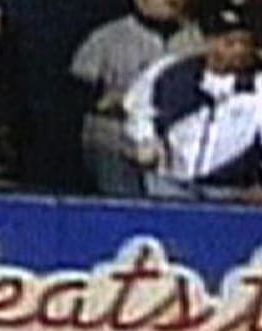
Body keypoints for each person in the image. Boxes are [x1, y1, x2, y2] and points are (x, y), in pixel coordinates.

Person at [123, 2, 262, 201]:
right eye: (230, 43)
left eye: (245, 43)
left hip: (229, 192)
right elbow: (137, 109)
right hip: (168, 186)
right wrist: (146, 141)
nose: (239, 51)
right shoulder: (170, 72)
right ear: (209, 41)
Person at [69, 0, 204, 197]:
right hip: (115, 148)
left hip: (177, 153)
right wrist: (115, 102)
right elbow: (76, 92)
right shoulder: (108, 37)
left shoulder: (198, 40)